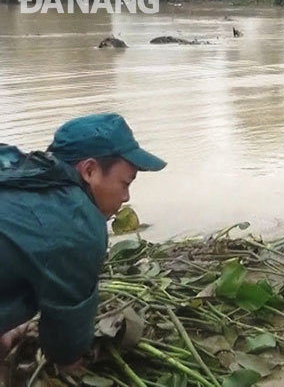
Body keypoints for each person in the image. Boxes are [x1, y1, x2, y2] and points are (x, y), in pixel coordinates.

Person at [0, 114, 166, 369]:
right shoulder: (77, 226)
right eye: (124, 183)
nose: (126, 196)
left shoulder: (15, 164)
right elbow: (66, 349)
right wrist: (73, 366)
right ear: (89, 171)